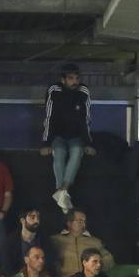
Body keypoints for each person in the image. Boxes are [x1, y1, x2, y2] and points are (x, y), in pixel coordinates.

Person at [40, 63, 94, 213]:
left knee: (77, 151)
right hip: (57, 135)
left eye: (77, 78)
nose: (75, 82)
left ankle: (62, 191)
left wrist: (89, 143)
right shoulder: (54, 90)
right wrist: (46, 143)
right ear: (63, 79)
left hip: (76, 136)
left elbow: (86, 119)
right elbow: (49, 117)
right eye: (70, 78)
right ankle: (63, 195)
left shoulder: (83, 91)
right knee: (59, 153)